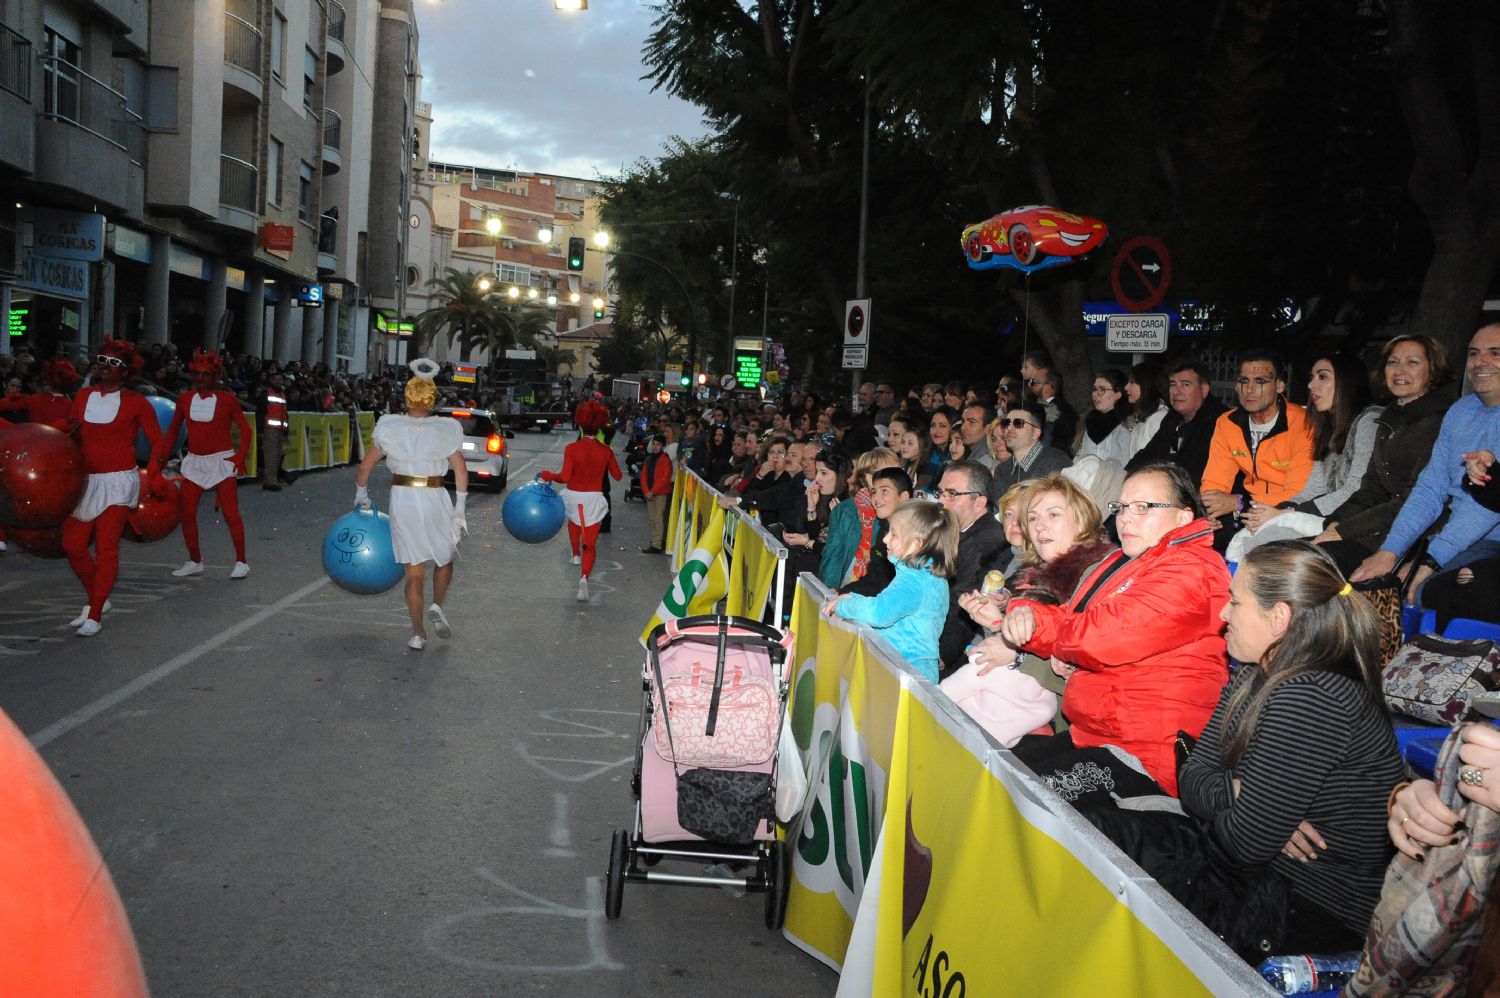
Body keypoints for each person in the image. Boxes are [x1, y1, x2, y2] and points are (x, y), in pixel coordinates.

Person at [1090, 540, 1403, 958]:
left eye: (1235, 603)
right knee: (1090, 832)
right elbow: (1192, 778)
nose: (1223, 614)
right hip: (1246, 874)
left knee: (1101, 885)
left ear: (1279, 618)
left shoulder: (1312, 695)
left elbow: (1245, 842)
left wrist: (1254, 809)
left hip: (1298, 907)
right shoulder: (1256, 673)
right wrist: (1246, 796)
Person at [1003, 462, 1230, 802]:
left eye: (1143, 508)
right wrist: (1027, 614)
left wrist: (1053, 634)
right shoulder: (1136, 564)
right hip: (1098, 734)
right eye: (1122, 508)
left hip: (1147, 755)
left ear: (1183, 517)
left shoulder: (1191, 569)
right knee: (999, 774)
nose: (1125, 518)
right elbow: (1072, 618)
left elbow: (1098, 637)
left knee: (1019, 801)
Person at [1350, 323, 1500, 593]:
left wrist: (1431, 561)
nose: (1481, 362)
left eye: (1495, 353)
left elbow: (1487, 507)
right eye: (1474, 353)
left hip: (1489, 541)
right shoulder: (1461, 411)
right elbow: (1429, 489)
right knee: (1371, 581)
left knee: (1427, 592)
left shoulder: (1436, 417)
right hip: (1455, 536)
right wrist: (1390, 551)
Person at [961, 475, 1117, 732]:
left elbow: (1094, 678)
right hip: (1034, 714)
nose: (1040, 526)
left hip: (1079, 732)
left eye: (1053, 515)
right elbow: (1030, 644)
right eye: (1033, 518)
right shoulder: (1038, 575)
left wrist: (1017, 657)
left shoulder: (1101, 578)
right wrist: (995, 622)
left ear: (1081, 520)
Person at [1314, 334, 1454, 575]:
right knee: (1294, 552)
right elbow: (1371, 488)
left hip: (1419, 534)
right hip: (1379, 526)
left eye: (1412, 363)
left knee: (1312, 565)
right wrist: (1337, 522)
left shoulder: (1440, 423)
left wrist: (1345, 531)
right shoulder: (1390, 418)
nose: (1400, 371)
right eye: (1393, 362)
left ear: (1433, 372)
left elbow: (1414, 501)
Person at [355, 359, 468, 648]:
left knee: (413, 572)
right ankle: (438, 604)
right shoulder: (446, 429)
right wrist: (460, 508)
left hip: (404, 498)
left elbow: (365, 467)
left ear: (406, 398)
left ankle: (418, 633)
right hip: (435, 497)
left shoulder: (390, 428)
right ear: (432, 400)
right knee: (445, 559)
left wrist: (362, 496)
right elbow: (461, 470)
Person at [1226, 352, 1381, 561]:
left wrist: (1287, 514)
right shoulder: (1328, 428)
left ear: (1348, 382)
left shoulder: (1369, 422)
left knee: (1264, 546)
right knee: (1252, 536)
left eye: (1323, 377)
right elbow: (1315, 487)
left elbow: (1355, 489)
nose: (1311, 385)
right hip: (1327, 518)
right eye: (1312, 377)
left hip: (1357, 525)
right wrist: (1277, 511)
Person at [62, 340, 166, 636]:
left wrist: (156, 470)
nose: (104, 367)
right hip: (86, 481)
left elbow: (158, 441)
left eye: (113, 363)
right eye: (101, 360)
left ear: (126, 371)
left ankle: (94, 612)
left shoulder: (136, 402)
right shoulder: (82, 397)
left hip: (119, 482)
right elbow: (69, 431)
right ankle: (99, 596)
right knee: (73, 545)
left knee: (107, 548)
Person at [824, 499, 958, 682]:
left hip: (904, 673)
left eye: (894, 534)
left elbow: (879, 612)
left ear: (916, 545)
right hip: (909, 670)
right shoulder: (929, 576)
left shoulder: (914, 580)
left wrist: (843, 605)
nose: (886, 539)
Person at [1200, 351, 1317, 544]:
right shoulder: (1228, 423)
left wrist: (1239, 503)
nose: (1250, 389)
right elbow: (1215, 481)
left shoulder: (1303, 423)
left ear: (1279, 385)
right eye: (1244, 381)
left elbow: (1297, 492)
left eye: (1260, 381)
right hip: (1248, 506)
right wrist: (1210, 512)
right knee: (1200, 536)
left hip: (1290, 510)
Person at [157, 349, 252, 579]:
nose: (201, 378)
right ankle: (195, 560)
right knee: (187, 513)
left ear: (215, 376)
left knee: (231, 514)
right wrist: (159, 458)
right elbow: (172, 431)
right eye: (197, 374)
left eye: (206, 374)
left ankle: (241, 561)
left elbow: (246, 430)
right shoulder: (184, 399)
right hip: (195, 463)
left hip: (221, 462)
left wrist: (238, 458)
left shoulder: (228, 400)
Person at [539, 399, 623, 602]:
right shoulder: (606, 451)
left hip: (573, 494)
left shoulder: (571, 448)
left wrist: (549, 474)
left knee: (574, 520)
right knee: (591, 544)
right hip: (594, 497)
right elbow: (619, 476)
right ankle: (584, 578)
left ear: (580, 423)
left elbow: (565, 477)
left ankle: (574, 552)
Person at [934, 461, 1006, 673]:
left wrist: (939, 654)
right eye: (940, 492)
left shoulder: (985, 542)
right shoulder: (952, 528)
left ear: (979, 502)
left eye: (952, 494)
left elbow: (963, 605)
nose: (940, 501)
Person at [1128, 360, 1228, 482]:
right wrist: (1128, 474)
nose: (1176, 392)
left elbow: (1194, 473)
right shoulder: (1173, 417)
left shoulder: (1219, 422)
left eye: (1185, 385)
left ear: (1204, 390)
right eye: (1173, 384)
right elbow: (1149, 453)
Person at [820, 446, 899, 588]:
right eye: (890, 473)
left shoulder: (901, 510)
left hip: (885, 588)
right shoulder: (844, 511)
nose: (897, 479)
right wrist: (829, 590)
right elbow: (833, 554)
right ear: (869, 478)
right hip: (847, 582)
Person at [840, 465, 912, 597]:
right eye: (874, 492)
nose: (876, 499)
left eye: (884, 491)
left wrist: (847, 596)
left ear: (904, 497)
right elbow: (875, 579)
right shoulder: (885, 527)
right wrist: (844, 593)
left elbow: (890, 589)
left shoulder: (913, 536)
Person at [783, 447, 852, 581]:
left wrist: (805, 541)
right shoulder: (827, 498)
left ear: (840, 476)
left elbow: (830, 550)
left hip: (835, 573)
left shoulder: (846, 506)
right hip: (819, 562)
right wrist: (811, 507)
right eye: (818, 472)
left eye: (824, 473)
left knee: (803, 563)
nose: (817, 478)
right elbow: (818, 537)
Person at [992, 402, 1072, 492]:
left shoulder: (1056, 461)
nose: (1010, 428)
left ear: (1035, 433)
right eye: (1007, 423)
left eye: (1018, 423)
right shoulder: (1002, 470)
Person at [0, 357, 77, 428]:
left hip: (33, 440)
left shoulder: (34, 399)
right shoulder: (70, 406)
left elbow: (3, 405)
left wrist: (12, 396)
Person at [1074, 368, 1126, 458]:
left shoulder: (1126, 425)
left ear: (1118, 395)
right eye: (1094, 389)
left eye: (1102, 389)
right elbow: (1079, 457)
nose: (1094, 394)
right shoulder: (1090, 420)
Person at [639, 433, 673, 554]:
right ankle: (655, 542)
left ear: (663, 446)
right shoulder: (649, 459)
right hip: (651, 493)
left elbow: (665, 478)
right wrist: (647, 490)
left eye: (658, 445)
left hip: (659, 494)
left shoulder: (665, 460)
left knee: (657, 518)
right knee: (653, 519)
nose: (655, 447)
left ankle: (657, 544)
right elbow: (643, 475)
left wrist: (651, 491)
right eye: (653, 444)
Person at [890, 410, 941, 491]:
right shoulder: (906, 465)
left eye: (910, 443)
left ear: (923, 446)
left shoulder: (926, 468)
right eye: (903, 442)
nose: (904, 446)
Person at [1032, 368, 1078, 451]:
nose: (1031, 386)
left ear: (1049, 387)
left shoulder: (1057, 410)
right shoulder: (1057, 406)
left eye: (1034, 382)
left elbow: (1048, 441)